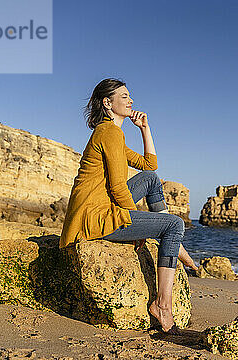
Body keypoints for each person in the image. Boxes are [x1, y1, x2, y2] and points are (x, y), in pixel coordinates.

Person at [59, 78, 198, 335]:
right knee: (174, 224)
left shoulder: (114, 134)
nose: (131, 100)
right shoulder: (108, 132)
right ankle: (162, 305)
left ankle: (176, 245)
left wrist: (145, 129)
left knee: (151, 180)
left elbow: (149, 165)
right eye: (124, 96)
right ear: (107, 103)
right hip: (95, 217)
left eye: (129, 96)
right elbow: (118, 189)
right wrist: (139, 223)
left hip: (102, 207)